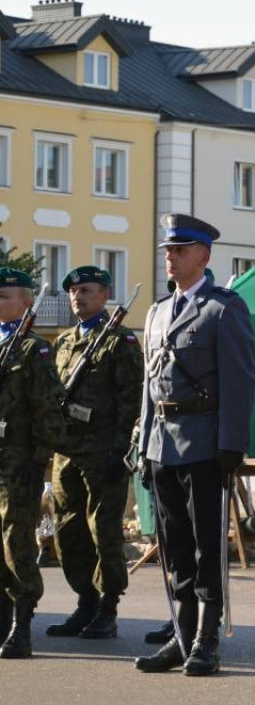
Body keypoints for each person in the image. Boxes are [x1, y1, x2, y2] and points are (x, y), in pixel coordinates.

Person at [134, 213, 255, 676]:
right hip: (162, 444)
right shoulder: (157, 311)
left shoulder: (223, 309)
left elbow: (241, 381)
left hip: (205, 443)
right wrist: (145, 444)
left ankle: (207, 639)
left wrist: (232, 445)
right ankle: (182, 635)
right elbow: (151, 386)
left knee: (207, 546)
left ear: (203, 255)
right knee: (175, 548)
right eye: (168, 249)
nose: (170, 256)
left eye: (180, 249)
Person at [46, 266, 143, 640]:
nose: (77, 296)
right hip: (66, 453)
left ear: (104, 295)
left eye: (86, 290)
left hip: (103, 452)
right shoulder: (64, 342)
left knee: (103, 533)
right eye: (72, 291)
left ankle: (107, 607)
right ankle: (85, 601)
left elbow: (131, 401)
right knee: (68, 533)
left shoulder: (120, 342)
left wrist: (121, 448)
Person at [0, 268, 67, 659]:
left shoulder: (34, 349)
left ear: (27, 302)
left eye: (6, 296)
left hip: (19, 459)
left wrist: (40, 458)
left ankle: (21, 621)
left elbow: (47, 408)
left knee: (15, 541)